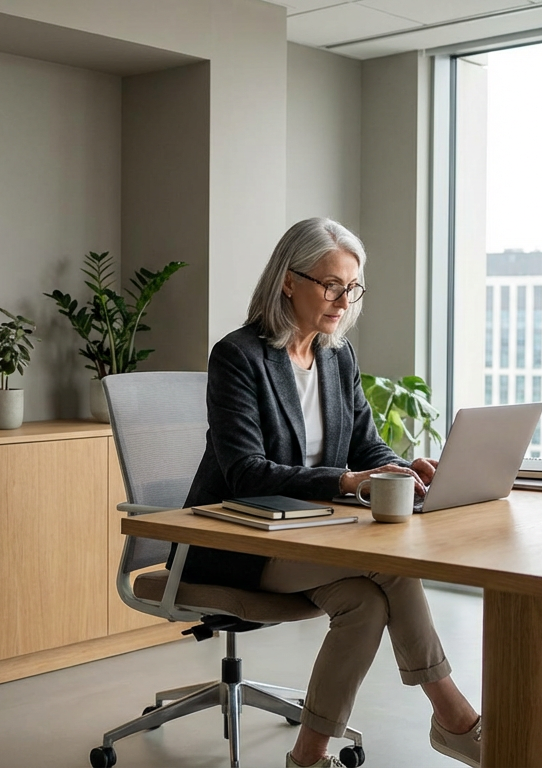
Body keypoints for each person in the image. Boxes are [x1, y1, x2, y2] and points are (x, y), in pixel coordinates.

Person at [182, 217, 483, 768]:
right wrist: (346, 482)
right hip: (238, 539)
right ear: (288, 282)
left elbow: (365, 446)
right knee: (389, 568)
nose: (344, 300)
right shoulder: (238, 357)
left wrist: (400, 469)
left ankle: (308, 756)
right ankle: (454, 717)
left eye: (352, 287)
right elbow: (247, 472)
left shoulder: (336, 356)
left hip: (312, 532)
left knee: (364, 605)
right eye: (331, 285)